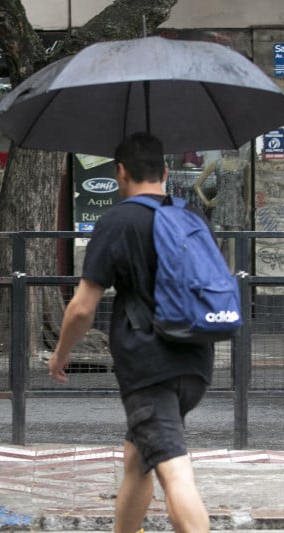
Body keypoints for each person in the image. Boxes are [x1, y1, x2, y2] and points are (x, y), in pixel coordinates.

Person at [48, 132, 213, 533]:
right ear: (166, 171)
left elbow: (83, 306)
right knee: (138, 459)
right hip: (196, 359)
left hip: (149, 363)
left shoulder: (117, 221)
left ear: (119, 172)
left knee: (175, 472)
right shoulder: (192, 216)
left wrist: (60, 352)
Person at [193, 150, 250, 271]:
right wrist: (207, 202)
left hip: (236, 208)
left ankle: (231, 279)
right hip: (219, 208)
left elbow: (247, 191)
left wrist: (247, 210)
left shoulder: (245, 165)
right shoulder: (216, 164)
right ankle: (212, 277)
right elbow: (197, 185)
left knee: (232, 251)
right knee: (215, 247)